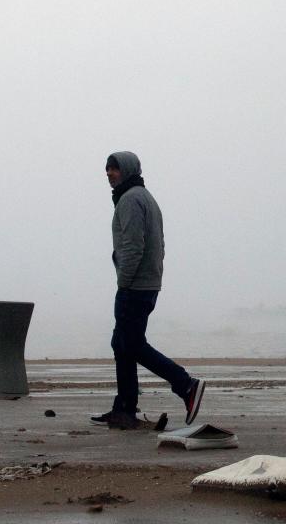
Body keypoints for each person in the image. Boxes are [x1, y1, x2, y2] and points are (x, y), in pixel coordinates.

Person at [91, 151, 205, 429]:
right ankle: (125, 408)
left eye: (114, 169)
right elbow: (157, 244)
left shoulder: (130, 200)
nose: (109, 173)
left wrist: (124, 281)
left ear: (128, 170)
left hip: (135, 285)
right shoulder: (143, 197)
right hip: (146, 282)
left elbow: (133, 246)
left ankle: (186, 385)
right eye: (107, 169)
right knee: (122, 343)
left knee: (131, 344)